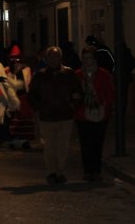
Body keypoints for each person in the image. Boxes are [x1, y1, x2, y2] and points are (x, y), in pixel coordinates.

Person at [29, 46, 83, 185]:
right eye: (51, 57)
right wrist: (38, 108)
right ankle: (52, 171)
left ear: (61, 58)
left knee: (63, 146)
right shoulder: (40, 75)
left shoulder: (68, 74)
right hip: (47, 115)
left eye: (56, 57)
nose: (54, 60)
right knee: (49, 146)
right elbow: (33, 95)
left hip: (65, 115)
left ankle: (60, 171)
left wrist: (73, 104)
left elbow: (78, 92)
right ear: (46, 59)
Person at [74, 46, 115, 182]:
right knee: (86, 144)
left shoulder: (104, 74)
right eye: (84, 58)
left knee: (97, 143)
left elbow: (110, 93)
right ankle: (88, 171)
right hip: (83, 114)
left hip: (100, 113)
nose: (87, 61)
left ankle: (96, 171)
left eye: (89, 58)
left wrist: (102, 103)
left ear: (95, 59)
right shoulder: (78, 74)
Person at [5, 45, 35, 149]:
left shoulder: (26, 69)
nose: (15, 61)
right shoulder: (9, 70)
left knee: (24, 118)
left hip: (23, 97)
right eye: (13, 58)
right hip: (14, 96)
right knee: (14, 118)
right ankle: (15, 139)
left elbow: (28, 82)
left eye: (17, 58)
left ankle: (25, 140)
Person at [121, 42, 135, 116]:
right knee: (123, 95)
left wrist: (127, 69)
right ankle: (122, 110)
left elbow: (133, 63)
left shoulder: (125, 54)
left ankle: (122, 110)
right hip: (123, 77)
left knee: (123, 95)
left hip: (124, 78)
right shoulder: (125, 54)